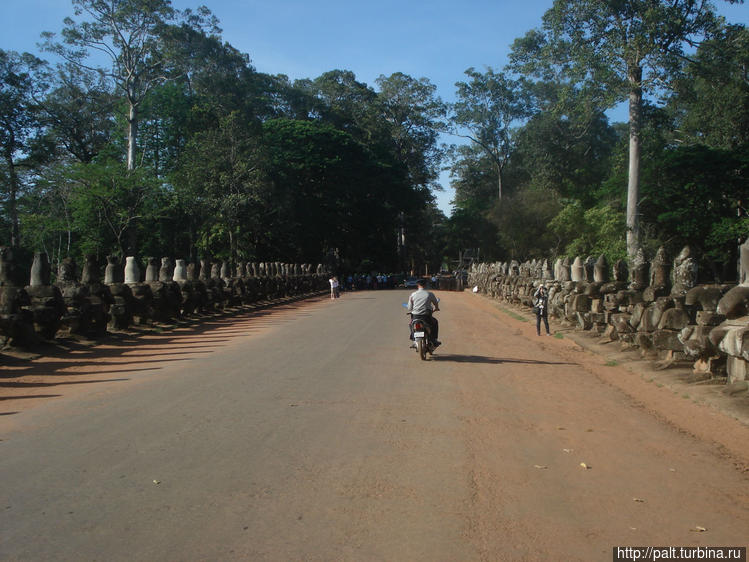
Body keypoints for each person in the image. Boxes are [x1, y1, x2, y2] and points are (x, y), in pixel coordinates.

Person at [407, 279, 441, 347]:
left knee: (411, 325)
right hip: (426, 317)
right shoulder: (429, 294)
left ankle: (414, 340)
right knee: (435, 322)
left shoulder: (413, 295)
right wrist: (436, 308)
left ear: (418, 285)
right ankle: (434, 339)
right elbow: (435, 303)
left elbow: (409, 308)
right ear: (425, 285)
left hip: (415, 316)